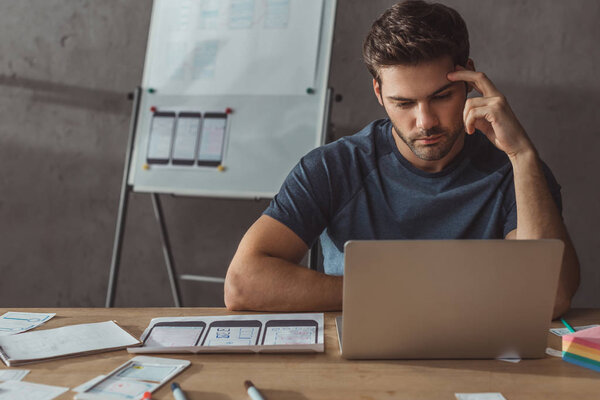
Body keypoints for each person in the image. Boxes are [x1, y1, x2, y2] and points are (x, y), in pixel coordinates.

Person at [224, 0, 580, 318]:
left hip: (481, 360)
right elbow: (243, 283)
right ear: (379, 92)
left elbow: (550, 297)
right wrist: (398, 294)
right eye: (404, 103)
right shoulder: (334, 168)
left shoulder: (516, 170)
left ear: (469, 79)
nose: (425, 122)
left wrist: (521, 155)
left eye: (441, 96)